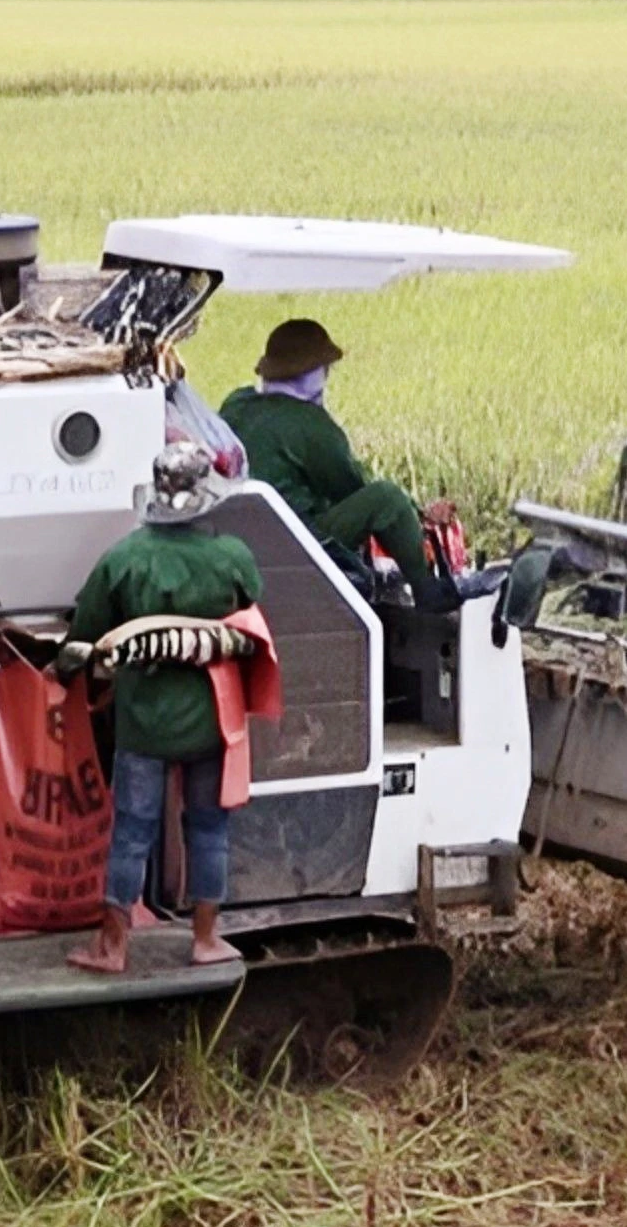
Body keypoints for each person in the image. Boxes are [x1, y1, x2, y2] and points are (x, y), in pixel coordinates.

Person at [64, 442, 262, 975]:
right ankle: (204, 939)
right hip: (208, 717)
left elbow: (85, 634)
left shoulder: (123, 559)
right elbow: (251, 618)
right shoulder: (232, 558)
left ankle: (112, 947)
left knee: (132, 829)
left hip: (144, 720)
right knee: (208, 826)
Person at [219, 318, 474, 613]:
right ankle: (428, 592)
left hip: (242, 531)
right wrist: (417, 513)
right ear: (312, 373)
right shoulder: (310, 424)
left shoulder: (237, 403)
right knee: (387, 498)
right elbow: (349, 488)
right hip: (294, 539)